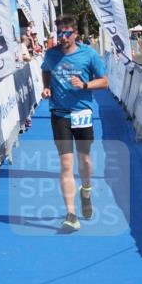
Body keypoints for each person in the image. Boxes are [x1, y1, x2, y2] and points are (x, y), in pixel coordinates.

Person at [41, 16, 109, 232]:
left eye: (67, 32)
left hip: (81, 113)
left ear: (76, 34)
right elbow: (46, 70)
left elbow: (105, 81)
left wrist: (85, 84)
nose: (62, 37)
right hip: (59, 114)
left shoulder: (88, 54)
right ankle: (71, 215)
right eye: (59, 32)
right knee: (66, 165)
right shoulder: (51, 55)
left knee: (85, 160)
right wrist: (47, 87)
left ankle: (86, 189)